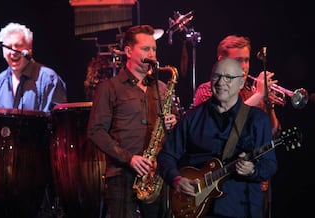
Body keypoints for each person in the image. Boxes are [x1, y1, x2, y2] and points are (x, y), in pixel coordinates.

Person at [157, 57, 278, 218]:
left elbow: (270, 164)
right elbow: (166, 156)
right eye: (216, 76)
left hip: (239, 208)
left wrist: (252, 170)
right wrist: (176, 179)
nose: (221, 82)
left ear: (241, 83)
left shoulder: (256, 119)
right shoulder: (192, 118)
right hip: (195, 208)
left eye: (228, 77)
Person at [86, 24, 178, 218]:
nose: (152, 54)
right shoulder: (109, 88)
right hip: (122, 176)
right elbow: (95, 131)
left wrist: (173, 123)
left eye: (154, 49)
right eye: (146, 49)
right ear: (128, 51)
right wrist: (129, 158)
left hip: (156, 174)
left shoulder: (162, 88)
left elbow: (176, 131)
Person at [0, 22, 67, 217]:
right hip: (6, 172)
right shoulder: (0, 81)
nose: (13, 52)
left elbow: (54, 123)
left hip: (39, 168)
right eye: (8, 47)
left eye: (18, 46)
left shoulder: (48, 78)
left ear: (29, 49)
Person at [193, 35, 281, 217]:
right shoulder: (207, 90)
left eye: (247, 60)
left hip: (253, 186)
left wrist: (268, 104)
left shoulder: (252, 92)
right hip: (221, 188)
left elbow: (273, 133)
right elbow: (223, 126)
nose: (244, 66)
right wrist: (258, 96)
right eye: (238, 60)